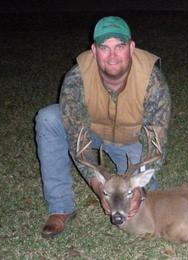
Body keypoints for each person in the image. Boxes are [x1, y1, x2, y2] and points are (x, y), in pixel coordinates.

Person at [35, 16, 171, 239]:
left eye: (120, 46)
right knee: (49, 118)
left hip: (131, 141)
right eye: (104, 48)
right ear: (94, 50)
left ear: (131, 48)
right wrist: (99, 187)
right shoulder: (76, 78)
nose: (113, 55)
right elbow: (75, 136)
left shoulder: (152, 80)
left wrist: (138, 188)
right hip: (91, 133)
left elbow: (157, 139)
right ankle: (60, 207)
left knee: (148, 198)